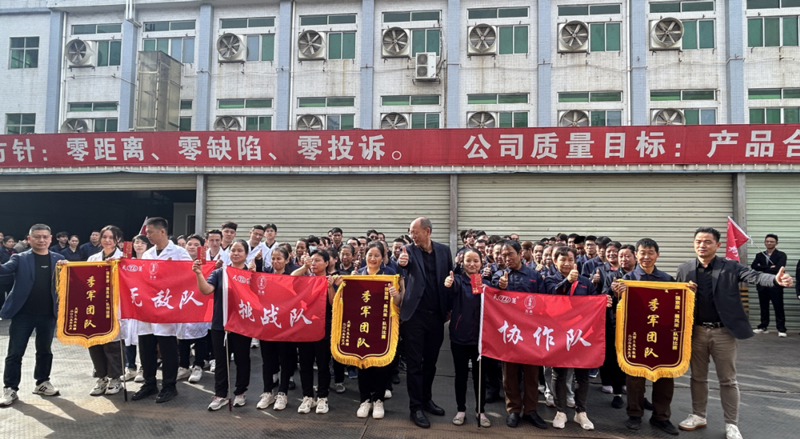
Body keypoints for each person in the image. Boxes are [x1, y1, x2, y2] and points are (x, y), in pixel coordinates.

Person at [676, 227, 793, 439]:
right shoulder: (685, 269)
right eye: (699, 241)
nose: (702, 245)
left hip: (723, 332)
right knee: (697, 377)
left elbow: (755, 276)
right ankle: (698, 415)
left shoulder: (730, 266)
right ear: (694, 243)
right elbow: (674, 295)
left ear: (718, 245)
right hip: (696, 333)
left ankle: (731, 424)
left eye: (707, 242)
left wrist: (776, 280)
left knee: (728, 380)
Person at [615, 238, 678, 435]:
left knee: (665, 376)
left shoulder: (668, 280)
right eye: (642, 252)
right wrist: (617, 294)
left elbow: (678, 306)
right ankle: (634, 414)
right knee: (635, 377)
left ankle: (662, 417)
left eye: (650, 252)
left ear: (657, 255)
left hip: (662, 336)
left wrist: (688, 294)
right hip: (636, 336)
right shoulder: (626, 281)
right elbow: (614, 311)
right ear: (636, 256)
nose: (646, 257)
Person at [544, 246, 610, 431]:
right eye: (562, 259)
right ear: (555, 261)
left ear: (576, 261)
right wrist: (566, 282)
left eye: (570, 259)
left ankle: (581, 412)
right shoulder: (549, 280)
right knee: (559, 373)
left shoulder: (585, 282)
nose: (567, 263)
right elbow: (550, 297)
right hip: (559, 334)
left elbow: (594, 303)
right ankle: (560, 411)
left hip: (581, 335)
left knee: (582, 374)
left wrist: (605, 302)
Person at [396, 217, 453, 429]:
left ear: (427, 231)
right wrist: (402, 263)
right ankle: (416, 407)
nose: (412, 235)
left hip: (436, 316)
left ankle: (427, 399)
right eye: (411, 232)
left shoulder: (444, 251)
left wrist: (448, 308)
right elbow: (401, 266)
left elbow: (449, 278)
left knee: (430, 362)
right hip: (414, 316)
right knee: (414, 364)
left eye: (415, 231)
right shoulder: (407, 251)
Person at [0, 224, 63, 407]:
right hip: (23, 314)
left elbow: (71, 280)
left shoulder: (59, 259)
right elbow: (4, 270)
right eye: (37, 237)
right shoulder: (19, 258)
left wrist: (68, 268)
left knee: (45, 351)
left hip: (48, 314)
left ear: (50, 239)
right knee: (15, 353)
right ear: (29, 239)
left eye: (45, 237)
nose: (41, 240)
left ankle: (42, 382)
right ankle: (10, 388)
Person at [131, 217, 191, 404]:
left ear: (162, 232)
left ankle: (169, 385)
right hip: (148, 306)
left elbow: (190, 275)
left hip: (167, 307)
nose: (147, 235)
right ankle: (149, 383)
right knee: (146, 345)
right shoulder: (148, 254)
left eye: (149, 232)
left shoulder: (180, 253)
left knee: (167, 348)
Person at [492, 240, 547, 430]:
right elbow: (491, 298)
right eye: (503, 255)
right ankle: (513, 409)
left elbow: (544, 303)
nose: (506, 258)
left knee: (531, 374)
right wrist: (500, 287)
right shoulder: (498, 275)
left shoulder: (534, 276)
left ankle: (531, 410)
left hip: (531, 335)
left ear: (520, 254)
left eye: (510, 254)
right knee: (509, 375)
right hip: (509, 334)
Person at [193, 239, 253, 411]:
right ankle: (220, 394)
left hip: (243, 324)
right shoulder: (220, 273)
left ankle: (241, 392)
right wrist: (198, 274)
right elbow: (206, 290)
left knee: (242, 360)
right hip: (221, 324)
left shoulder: (251, 274)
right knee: (221, 361)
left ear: (246, 254)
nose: (235, 253)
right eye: (233, 250)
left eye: (239, 250)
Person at [354, 241, 402, 420]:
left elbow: (398, 303)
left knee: (382, 364)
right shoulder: (357, 275)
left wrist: (394, 295)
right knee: (363, 363)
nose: (372, 258)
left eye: (376, 255)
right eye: (370, 255)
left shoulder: (390, 274)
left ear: (383, 258)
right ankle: (365, 399)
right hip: (362, 326)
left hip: (383, 325)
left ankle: (378, 399)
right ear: (364, 256)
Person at [444, 249, 490, 427]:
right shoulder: (457, 280)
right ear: (462, 262)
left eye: (476, 261)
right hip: (459, 337)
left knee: (480, 377)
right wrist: (448, 283)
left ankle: (481, 411)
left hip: (480, 339)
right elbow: (450, 291)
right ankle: (461, 409)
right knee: (461, 375)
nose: (472, 264)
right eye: (468, 260)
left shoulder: (485, 282)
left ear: (481, 262)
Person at [291, 249, 337, 415]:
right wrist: (304, 267)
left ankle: (323, 397)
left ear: (327, 263)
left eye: (318, 260)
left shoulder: (330, 280)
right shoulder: (306, 280)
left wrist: (331, 287)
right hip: (305, 328)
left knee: (323, 364)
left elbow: (334, 304)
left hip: (323, 328)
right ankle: (307, 396)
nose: (315, 263)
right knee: (305, 364)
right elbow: (291, 279)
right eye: (313, 260)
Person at [83, 225, 125, 396]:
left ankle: (115, 378)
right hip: (95, 306)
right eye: (104, 237)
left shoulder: (123, 258)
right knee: (95, 342)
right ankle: (101, 378)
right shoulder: (93, 258)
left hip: (115, 307)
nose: (107, 240)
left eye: (111, 237)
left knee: (113, 344)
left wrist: (116, 267)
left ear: (118, 240)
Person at [257, 247, 297, 411]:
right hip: (267, 325)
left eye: (279, 258)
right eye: (273, 258)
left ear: (287, 260)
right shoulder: (265, 276)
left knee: (286, 360)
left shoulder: (292, 278)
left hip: (285, 326)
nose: (275, 262)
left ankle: (282, 393)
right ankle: (267, 392)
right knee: (267, 360)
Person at [599, 242, 630, 408]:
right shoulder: (612, 277)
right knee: (614, 358)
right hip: (615, 323)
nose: (623, 259)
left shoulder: (641, 277)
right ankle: (617, 393)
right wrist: (611, 292)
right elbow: (603, 298)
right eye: (621, 256)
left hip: (637, 325)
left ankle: (635, 393)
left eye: (627, 256)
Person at [177, 234, 210, 384]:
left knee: (200, 336)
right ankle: (183, 365)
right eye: (189, 244)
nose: (191, 246)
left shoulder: (206, 264)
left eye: (196, 245)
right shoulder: (178, 262)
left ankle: (198, 365)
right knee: (182, 335)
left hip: (198, 301)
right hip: (183, 301)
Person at [124, 234, 152, 384]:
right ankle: (131, 367)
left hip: (146, 304)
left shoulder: (151, 261)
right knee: (129, 336)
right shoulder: (128, 262)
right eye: (136, 242)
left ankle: (143, 368)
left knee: (143, 337)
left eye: (142, 243)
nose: (139, 245)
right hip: (131, 304)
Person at [750, 234, 787, 337]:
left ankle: (781, 329)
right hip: (762, 285)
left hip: (776, 285)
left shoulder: (781, 255)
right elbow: (753, 267)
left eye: (772, 241)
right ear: (764, 242)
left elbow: (779, 268)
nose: (769, 243)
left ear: (776, 243)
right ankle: (763, 326)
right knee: (763, 306)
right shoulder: (759, 255)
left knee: (778, 307)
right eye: (767, 241)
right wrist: (770, 267)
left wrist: (762, 268)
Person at [0, 236, 17, 310]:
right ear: (4, 243)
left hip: (12, 277)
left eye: (12, 242)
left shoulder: (15, 251)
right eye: (9, 242)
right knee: (1, 295)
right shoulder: (1, 251)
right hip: (2, 277)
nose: (11, 243)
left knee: (12, 294)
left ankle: (10, 309)